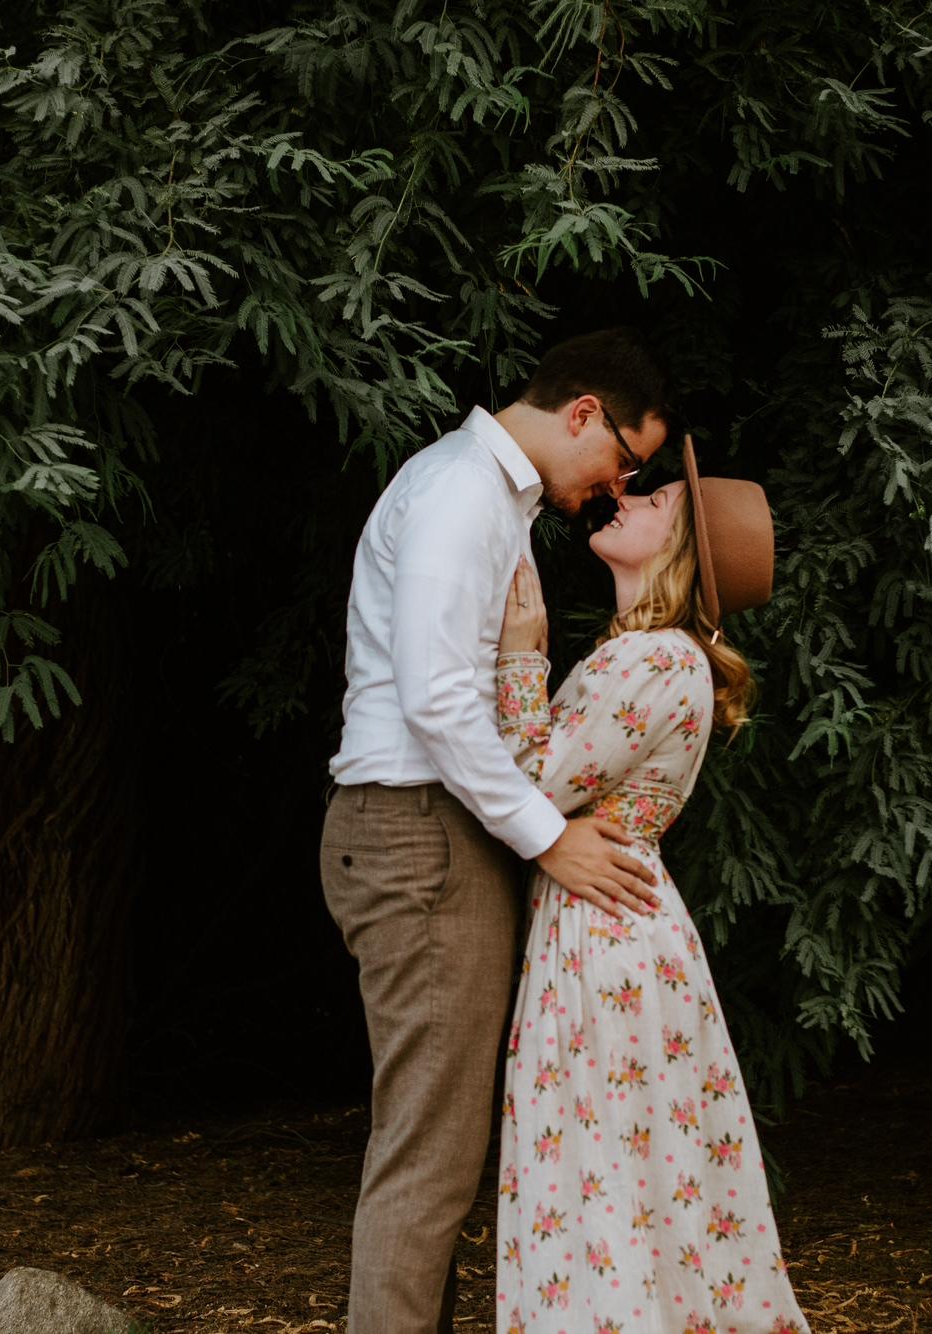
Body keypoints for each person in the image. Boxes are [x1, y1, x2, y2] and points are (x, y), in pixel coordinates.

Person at [321, 329, 674, 1334]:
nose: (615, 489)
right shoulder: (461, 494)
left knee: (435, 1145)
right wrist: (545, 835)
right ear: (582, 413)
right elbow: (436, 699)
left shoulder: (486, 495)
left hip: (432, 829)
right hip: (418, 831)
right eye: (624, 461)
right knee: (429, 1157)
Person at [493, 437, 812, 1332]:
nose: (630, 496)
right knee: (627, 1177)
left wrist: (519, 657)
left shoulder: (656, 660)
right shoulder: (649, 655)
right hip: (615, 922)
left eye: (659, 501)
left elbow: (527, 783)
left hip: (604, 934)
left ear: (679, 552)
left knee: (600, 1174)